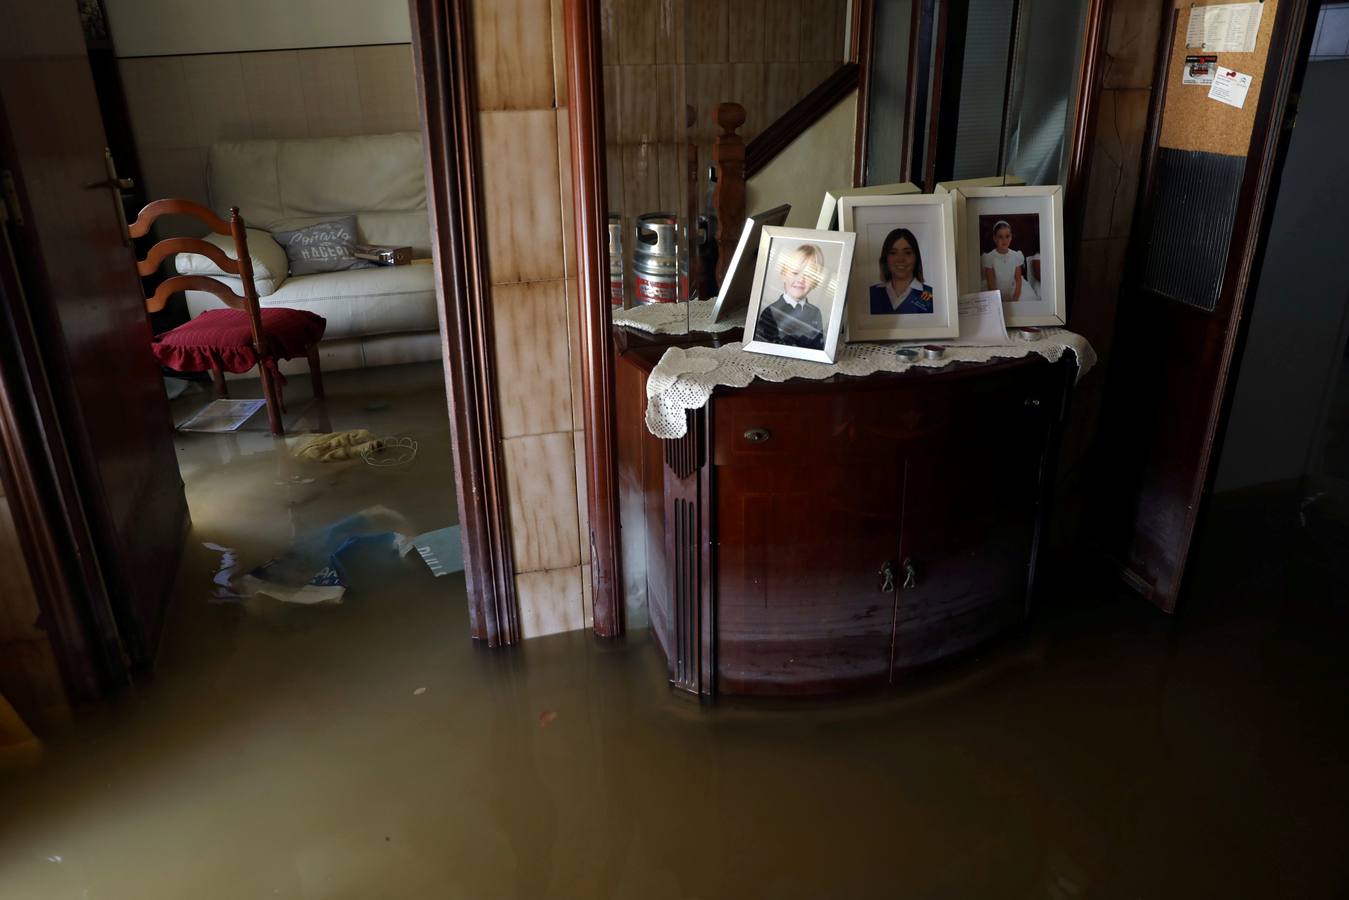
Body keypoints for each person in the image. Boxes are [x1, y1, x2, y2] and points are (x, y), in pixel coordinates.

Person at [753, 243, 828, 350]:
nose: (801, 279)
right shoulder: (770, 312)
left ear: (815, 282)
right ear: (783, 275)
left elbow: (819, 345)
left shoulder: (815, 312)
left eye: (809, 275)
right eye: (795, 272)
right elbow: (763, 346)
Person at [869, 228, 934, 315]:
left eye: (907, 253)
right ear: (885, 258)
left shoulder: (930, 295)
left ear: (916, 258)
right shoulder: (871, 294)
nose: (900, 259)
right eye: (893, 253)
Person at [981, 220, 1039, 303]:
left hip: (1013, 288)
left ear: (1011, 237)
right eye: (1000, 237)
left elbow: (1018, 280)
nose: (1004, 240)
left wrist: (1015, 298)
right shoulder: (990, 257)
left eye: (1007, 236)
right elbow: (991, 284)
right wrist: (998, 301)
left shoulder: (1016, 256)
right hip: (995, 291)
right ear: (994, 238)